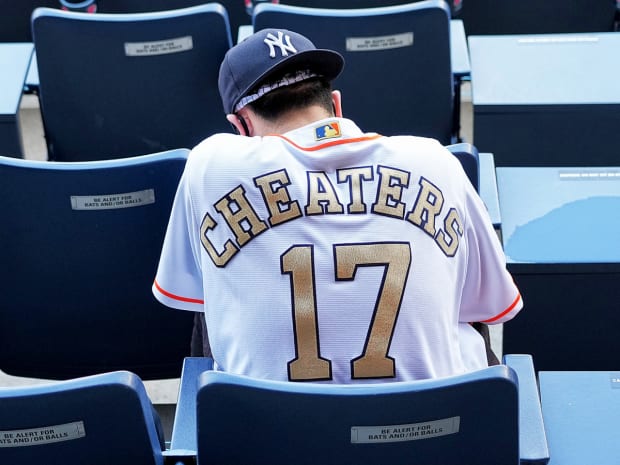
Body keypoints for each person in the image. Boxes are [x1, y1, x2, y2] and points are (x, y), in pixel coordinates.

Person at [153, 28, 522, 383]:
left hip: (270, 435)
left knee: (215, 295)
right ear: (337, 105)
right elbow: (489, 307)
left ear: (242, 126)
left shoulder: (210, 165)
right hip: (424, 431)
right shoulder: (434, 160)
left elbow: (191, 296)